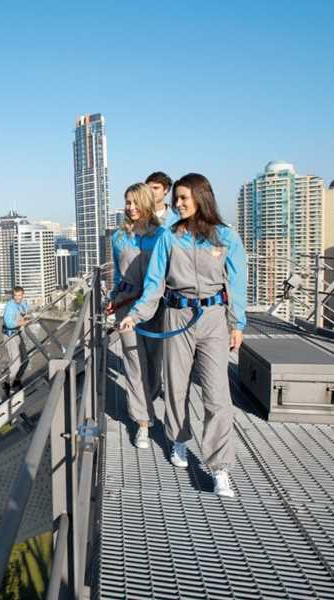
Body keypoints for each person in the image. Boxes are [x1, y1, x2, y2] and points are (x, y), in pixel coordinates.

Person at [120, 173, 247, 499]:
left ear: (201, 199)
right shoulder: (169, 238)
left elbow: (236, 284)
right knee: (176, 385)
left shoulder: (225, 237)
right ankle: (178, 438)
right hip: (176, 314)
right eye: (175, 199)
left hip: (214, 319)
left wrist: (238, 324)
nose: (177, 204)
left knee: (217, 394)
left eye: (183, 199)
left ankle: (219, 468)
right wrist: (135, 316)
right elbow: (154, 284)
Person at [104, 183, 165, 450]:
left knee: (153, 362)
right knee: (133, 363)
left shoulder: (161, 235)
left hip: (156, 306)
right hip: (126, 306)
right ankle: (142, 421)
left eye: (134, 202)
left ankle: (148, 401)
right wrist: (114, 298)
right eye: (127, 202)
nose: (130, 207)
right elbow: (118, 273)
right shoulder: (119, 237)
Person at [2, 286, 31, 389]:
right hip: (10, 336)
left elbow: (26, 309)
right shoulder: (10, 307)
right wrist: (23, 322)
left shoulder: (22, 303)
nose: (17, 297)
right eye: (15, 295)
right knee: (15, 363)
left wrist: (26, 316)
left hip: (18, 334)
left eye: (19, 295)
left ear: (23, 295)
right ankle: (7, 383)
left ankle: (17, 380)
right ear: (12, 295)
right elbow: (9, 323)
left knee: (26, 360)